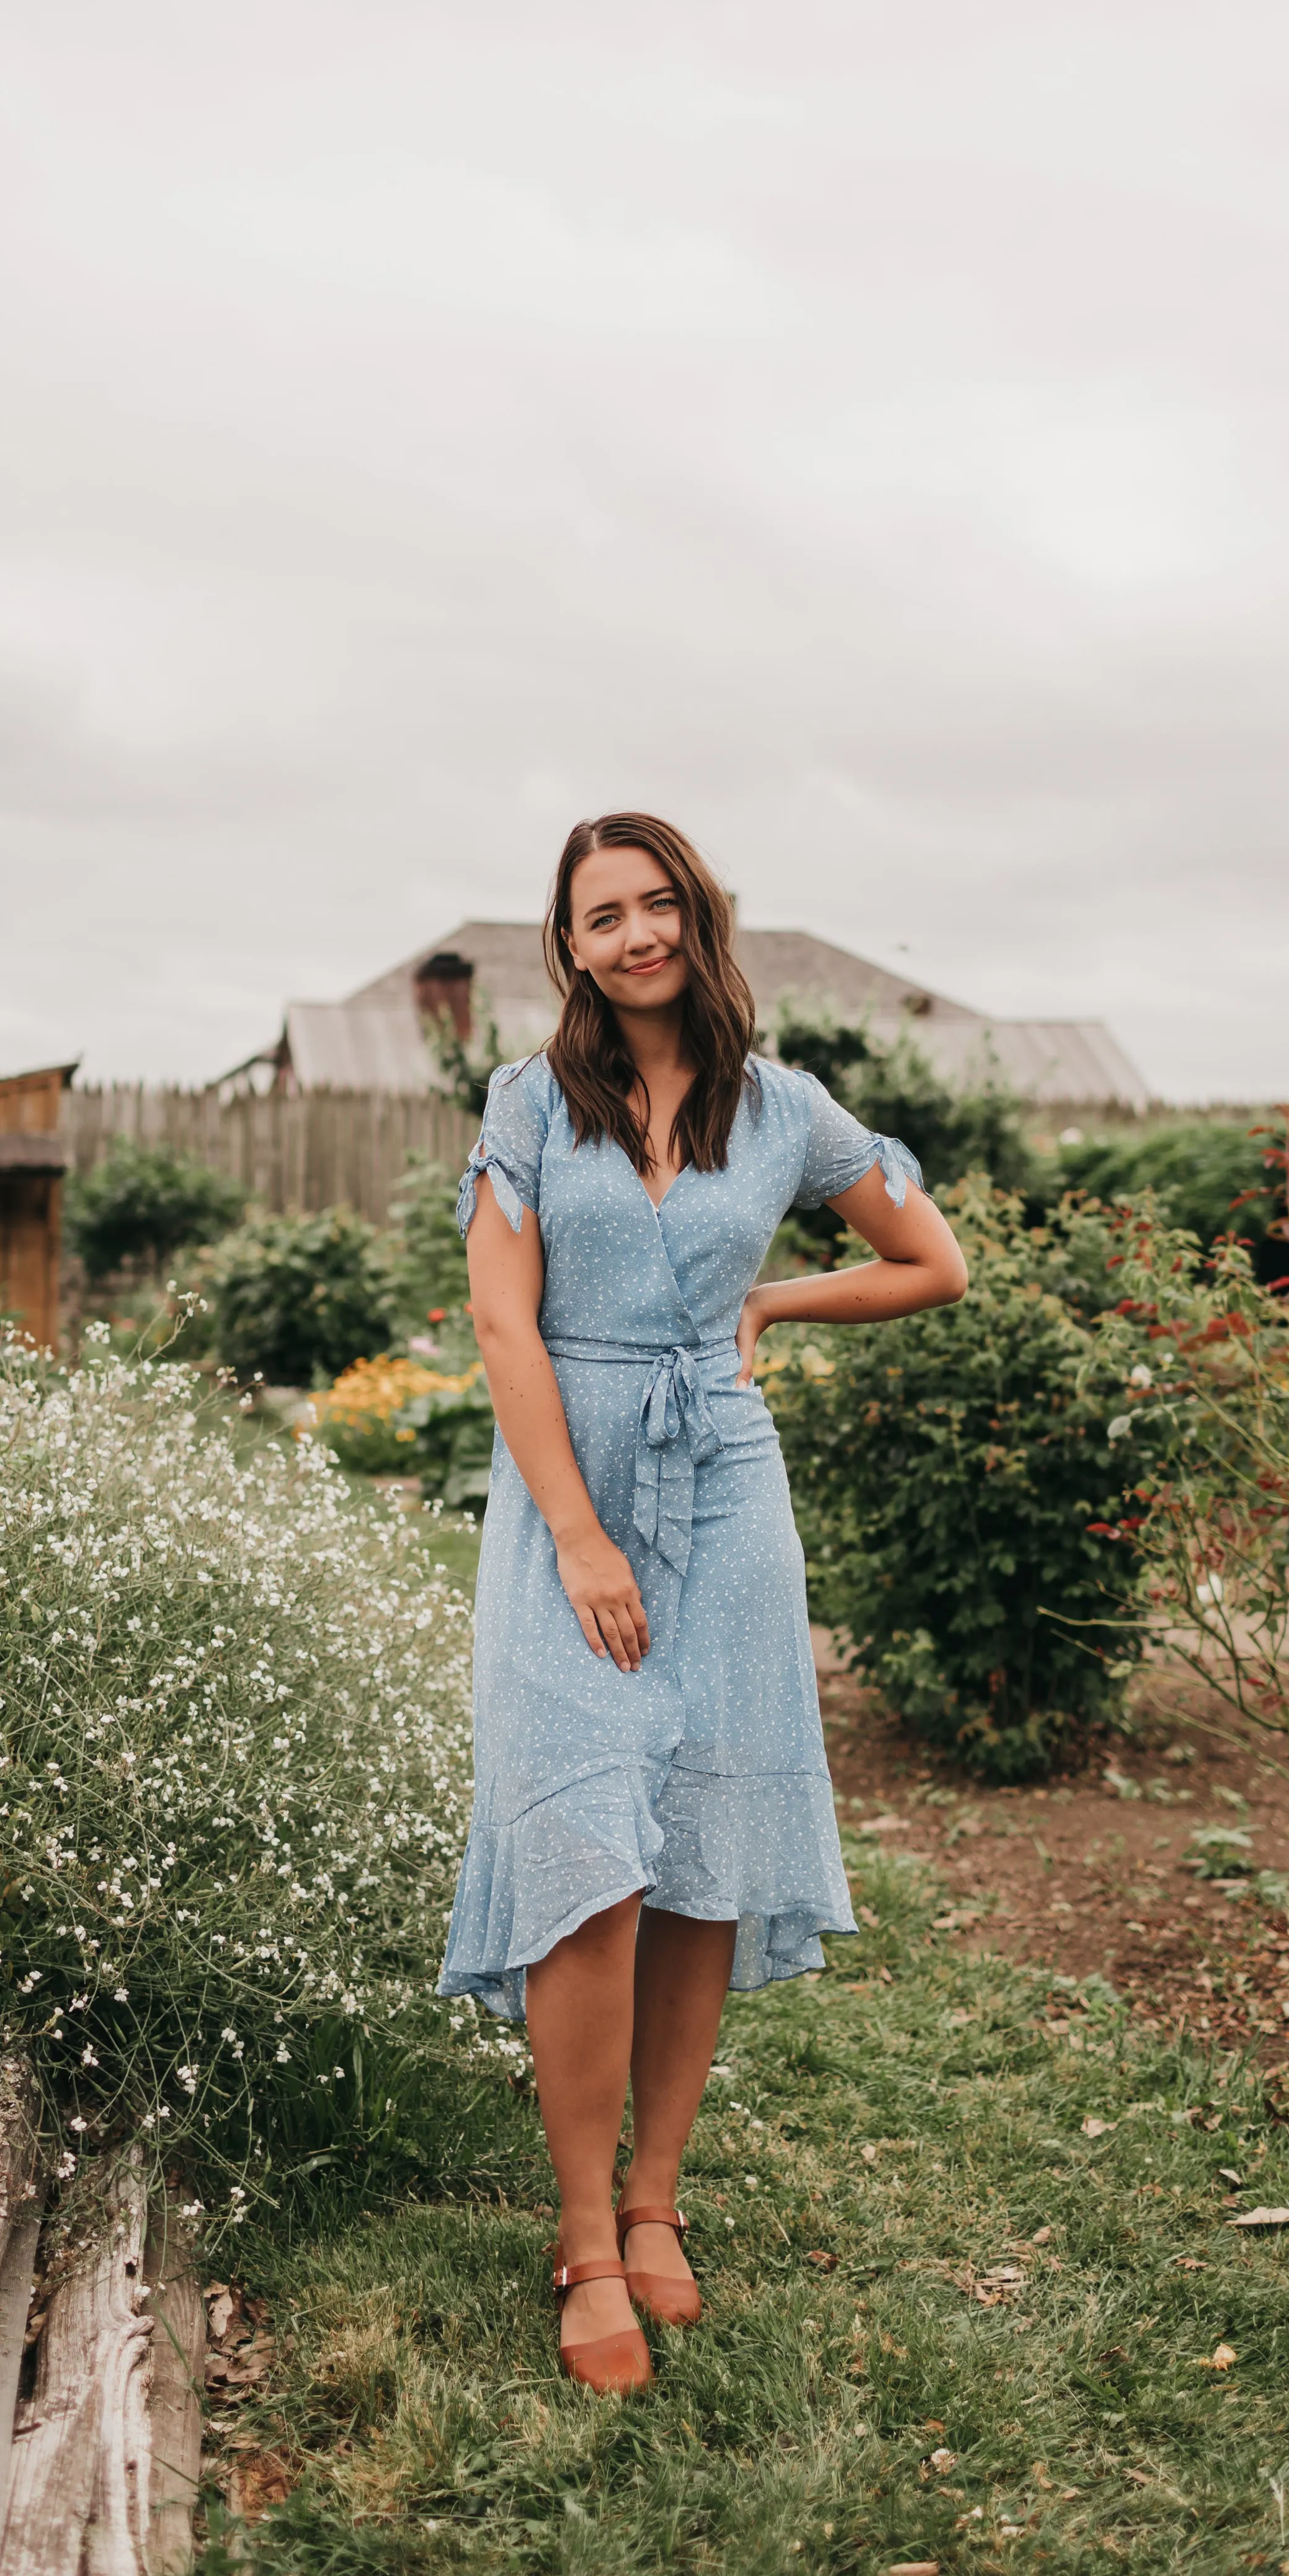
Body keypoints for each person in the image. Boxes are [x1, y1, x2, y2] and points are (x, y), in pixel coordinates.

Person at [439, 813, 969, 2391]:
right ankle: (583, 2233)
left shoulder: (786, 1109)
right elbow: (498, 1320)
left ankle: (656, 2203)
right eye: (603, 914)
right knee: (589, 1849)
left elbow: (930, 1263)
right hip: (571, 1504)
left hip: (731, 1494)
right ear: (570, 946)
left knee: (704, 1858)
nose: (636, 933)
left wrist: (773, 1294)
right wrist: (581, 1537)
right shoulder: (530, 1103)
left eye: (657, 902)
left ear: (698, 918)